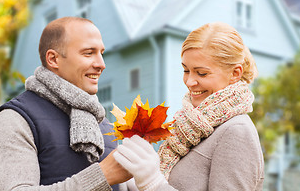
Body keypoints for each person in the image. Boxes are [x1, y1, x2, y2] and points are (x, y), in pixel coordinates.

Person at [113, 22, 264, 190]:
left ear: (235, 73)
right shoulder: (189, 128)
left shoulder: (237, 131)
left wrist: (153, 183)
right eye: (186, 70)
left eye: (202, 73)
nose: (189, 82)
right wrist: (129, 179)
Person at [0, 17, 132, 190]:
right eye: (88, 53)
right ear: (53, 59)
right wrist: (102, 176)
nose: (101, 64)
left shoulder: (104, 125)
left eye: (101, 53)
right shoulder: (14, 119)